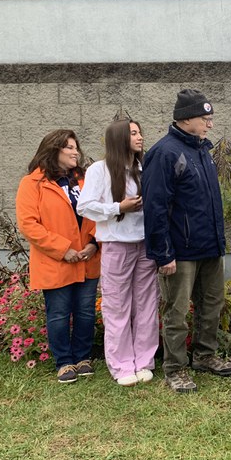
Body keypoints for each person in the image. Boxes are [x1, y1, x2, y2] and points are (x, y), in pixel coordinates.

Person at [141, 89, 231, 393]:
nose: (210, 125)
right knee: (177, 311)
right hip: (179, 252)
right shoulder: (165, 153)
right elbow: (155, 208)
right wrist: (163, 254)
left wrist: (219, 242)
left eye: (210, 119)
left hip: (209, 247)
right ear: (185, 119)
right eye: (205, 119)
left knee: (212, 304)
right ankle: (175, 369)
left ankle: (205, 356)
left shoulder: (201, 151)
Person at [77, 117, 160, 387]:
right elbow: (85, 206)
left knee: (147, 305)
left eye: (139, 132)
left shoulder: (145, 168)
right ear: (118, 138)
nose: (139, 137)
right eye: (133, 133)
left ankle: (145, 361)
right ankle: (122, 364)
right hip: (116, 245)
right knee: (117, 306)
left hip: (146, 244)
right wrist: (118, 208)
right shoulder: (99, 170)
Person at [16, 129, 101, 384]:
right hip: (56, 261)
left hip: (87, 258)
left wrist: (94, 243)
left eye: (76, 147)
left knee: (85, 311)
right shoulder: (32, 184)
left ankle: (83, 357)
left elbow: (100, 212)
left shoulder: (86, 179)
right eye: (70, 148)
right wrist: (64, 250)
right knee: (59, 313)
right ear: (55, 150)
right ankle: (64, 361)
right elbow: (29, 224)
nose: (76, 152)